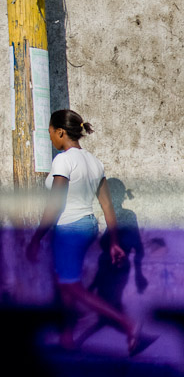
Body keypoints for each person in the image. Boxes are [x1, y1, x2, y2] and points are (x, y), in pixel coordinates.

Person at [26, 109, 152, 355]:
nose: (50, 137)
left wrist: (36, 238)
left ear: (60, 132)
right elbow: (107, 206)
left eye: (51, 132)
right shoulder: (95, 162)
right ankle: (67, 336)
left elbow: (56, 203)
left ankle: (127, 322)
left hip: (69, 229)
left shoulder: (63, 160)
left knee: (71, 286)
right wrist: (114, 241)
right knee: (67, 282)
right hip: (88, 226)